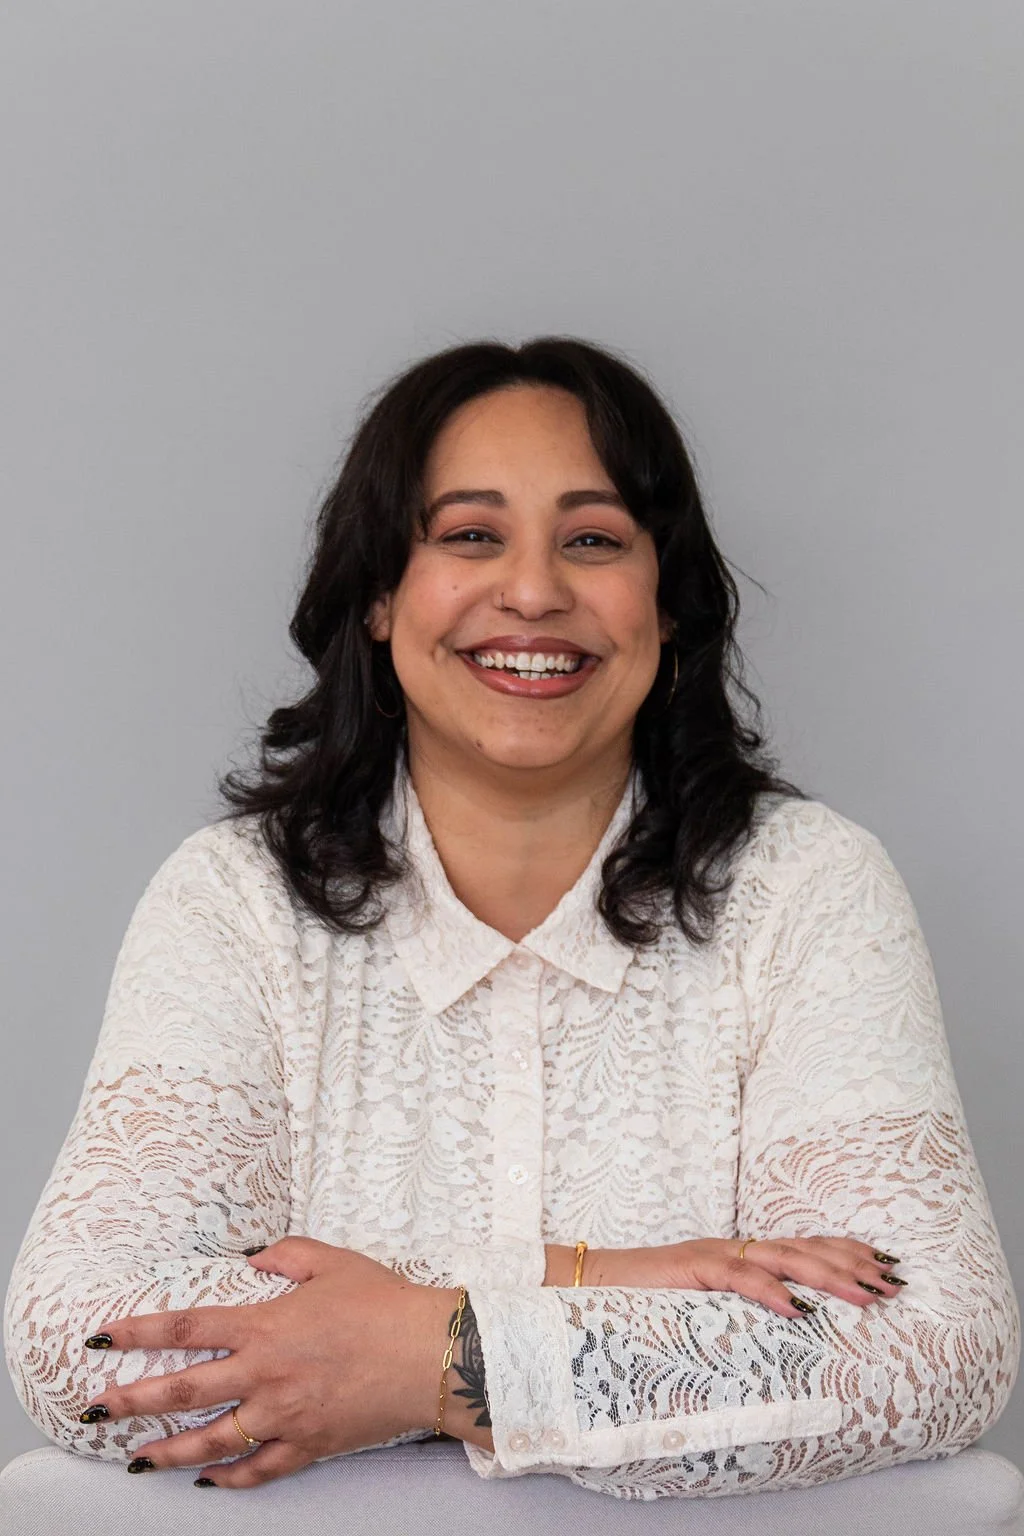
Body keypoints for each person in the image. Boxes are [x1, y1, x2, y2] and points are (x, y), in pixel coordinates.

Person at [4, 337, 1019, 1501]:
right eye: (470, 535)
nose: (533, 591)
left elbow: (934, 1351)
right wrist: (601, 1278)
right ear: (379, 596)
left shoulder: (807, 887)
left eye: (592, 539)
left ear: (668, 606)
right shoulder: (234, 897)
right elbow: (77, 1341)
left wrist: (415, 1357)